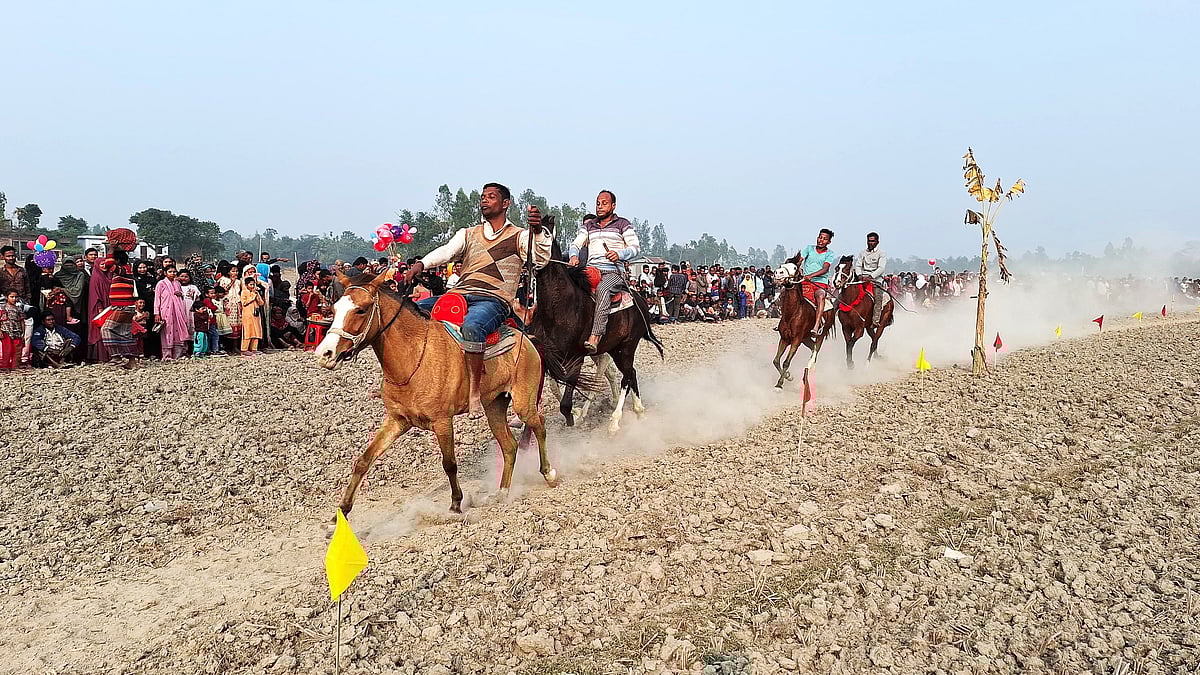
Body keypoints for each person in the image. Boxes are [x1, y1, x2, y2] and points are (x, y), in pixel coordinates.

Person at [402, 182, 552, 417]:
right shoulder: (468, 233)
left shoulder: (521, 236)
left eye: (491, 196)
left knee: (473, 327)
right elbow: (447, 251)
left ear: (505, 203)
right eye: (483, 196)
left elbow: (541, 259)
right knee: (409, 312)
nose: (484, 200)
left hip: (493, 300)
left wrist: (538, 231)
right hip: (458, 295)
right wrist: (421, 264)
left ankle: (473, 392)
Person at [568, 190, 641, 354]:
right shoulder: (589, 225)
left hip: (613, 272)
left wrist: (619, 254)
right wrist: (573, 256)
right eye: (598, 203)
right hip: (591, 270)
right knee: (564, 283)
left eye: (604, 203)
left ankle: (595, 335)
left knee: (603, 289)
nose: (600, 206)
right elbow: (575, 244)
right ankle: (533, 313)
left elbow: (635, 248)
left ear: (613, 206)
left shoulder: (623, 224)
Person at [792, 228, 838, 338]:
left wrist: (811, 276)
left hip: (820, 283)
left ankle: (816, 325)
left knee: (820, 296)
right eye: (820, 237)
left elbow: (825, 269)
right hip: (804, 281)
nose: (821, 240)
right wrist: (797, 268)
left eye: (824, 239)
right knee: (789, 294)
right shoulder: (809, 248)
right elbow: (800, 261)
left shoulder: (830, 254)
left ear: (829, 242)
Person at [154, 266, 191, 361]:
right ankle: (167, 355)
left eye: (174, 272)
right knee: (167, 331)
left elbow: (181, 295)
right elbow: (157, 299)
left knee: (178, 330)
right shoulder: (161, 284)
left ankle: (178, 355)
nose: (172, 273)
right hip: (166, 310)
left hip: (178, 311)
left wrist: (180, 294)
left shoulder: (177, 283)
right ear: (165, 273)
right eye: (170, 272)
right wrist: (157, 313)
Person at [852, 232, 888, 326]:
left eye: (872, 241)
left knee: (878, 298)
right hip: (861, 279)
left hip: (875, 280)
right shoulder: (862, 253)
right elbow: (858, 265)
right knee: (845, 293)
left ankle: (875, 320)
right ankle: (835, 312)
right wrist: (859, 275)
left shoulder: (881, 253)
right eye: (869, 241)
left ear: (877, 242)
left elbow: (881, 268)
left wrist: (871, 277)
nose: (870, 243)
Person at [239, 276, 266, 355]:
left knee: (256, 331)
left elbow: (261, 303)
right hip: (248, 315)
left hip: (256, 315)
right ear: (246, 285)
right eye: (251, 284)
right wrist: (252, 296)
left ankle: (254, 348)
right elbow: (244, 303)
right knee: (248, 332)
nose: (253, 286)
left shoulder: (255, 292)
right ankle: (244, 349)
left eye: (254, 284)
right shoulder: (244, 292)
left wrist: (257, 296)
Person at [0, 290, 25, 370]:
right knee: (7, 349)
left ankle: (15, 366)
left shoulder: (19, 309)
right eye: (12, 297)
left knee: (17, 350)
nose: (14, 299)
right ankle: (5, 366)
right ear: (6, 297)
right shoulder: (3, 308)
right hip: (6, 331)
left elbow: (22, 321)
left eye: (16, 297)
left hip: (17, 332)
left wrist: (23, 333)